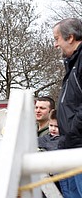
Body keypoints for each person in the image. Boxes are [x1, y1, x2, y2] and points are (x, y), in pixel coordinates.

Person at [53, 17, 82, 198]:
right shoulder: (72, 64)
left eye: (57, 39)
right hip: (72, 144)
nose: (56, 45)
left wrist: (72, 130)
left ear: (70, 37)